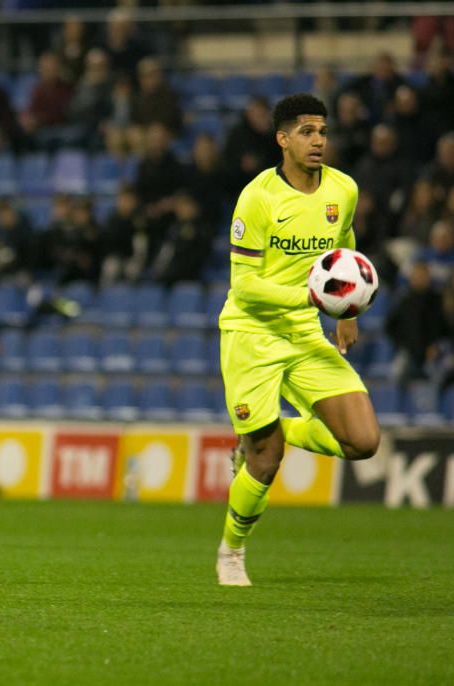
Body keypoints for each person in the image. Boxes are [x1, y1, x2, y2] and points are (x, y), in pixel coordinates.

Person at [216, 94, 380, 587]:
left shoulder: (343, 189)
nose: (319, 141)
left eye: (323, 132)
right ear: (282, 140)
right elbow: (243, 285)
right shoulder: (258, 197)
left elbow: (344, 243)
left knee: (363, 441)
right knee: (265, 463)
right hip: (252, 334)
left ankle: (276, 430)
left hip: (306, 331)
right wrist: (310, 297)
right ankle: (231, 552)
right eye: (307, 132)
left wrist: (346, 309)